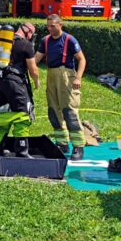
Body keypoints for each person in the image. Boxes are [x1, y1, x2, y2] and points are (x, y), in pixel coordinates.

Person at [0, 22, 40, 157]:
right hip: (14, 82)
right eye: (32, 33)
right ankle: (22, 151)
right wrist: (37, 82)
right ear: (28, 31)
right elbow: (33, 70)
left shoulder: (3, 42)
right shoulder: (26, 45)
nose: (31, 37)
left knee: (3, 111)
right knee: (23, 114)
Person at [34, 14, 87, 160]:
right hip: (51, 75)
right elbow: (36, 58)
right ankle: (62, 143)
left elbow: (82, 59)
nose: (50, 29)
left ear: (60, 24)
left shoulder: (69, 40)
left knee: (69, 111)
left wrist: (78, 77)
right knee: (53, 111)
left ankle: (78, 146)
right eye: (48, 26)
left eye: (52, 26)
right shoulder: (45, 41)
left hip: (66, 76)